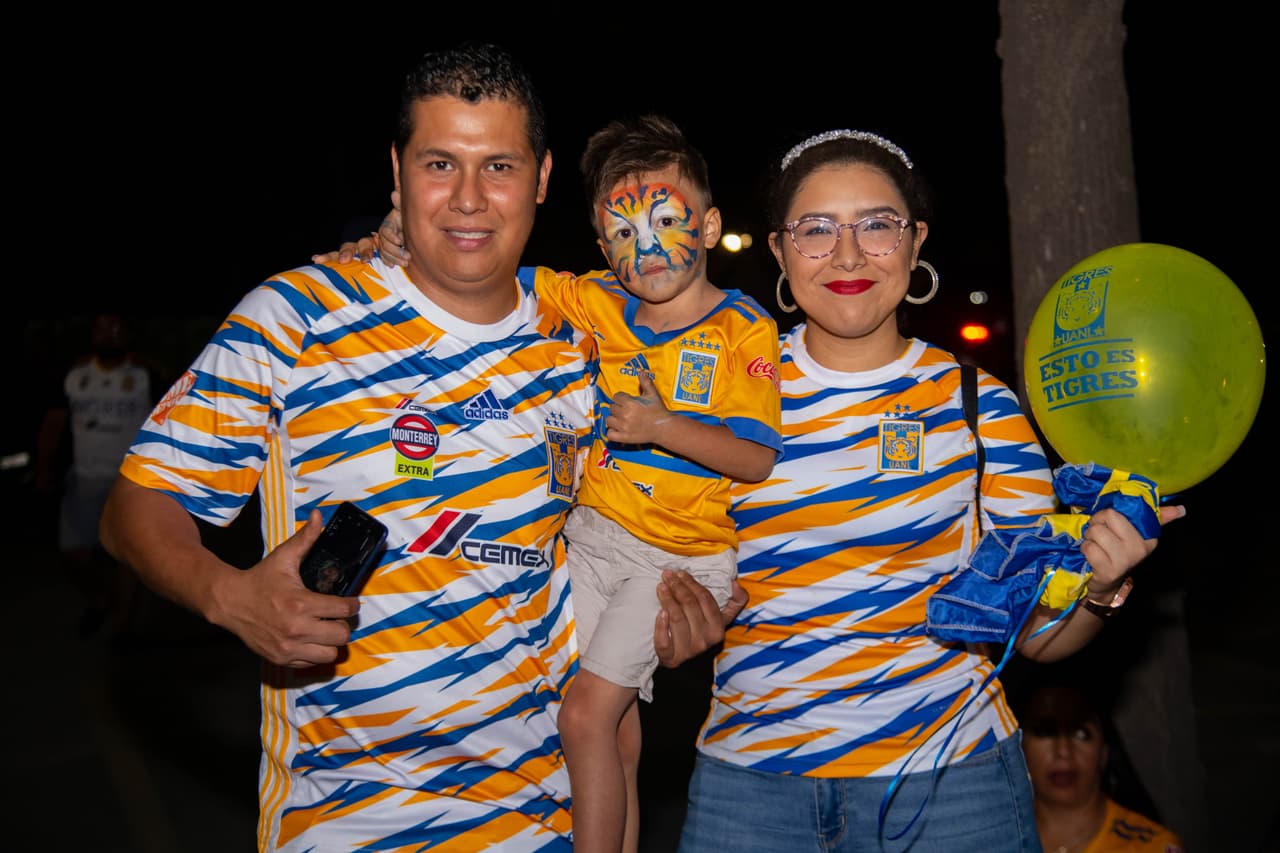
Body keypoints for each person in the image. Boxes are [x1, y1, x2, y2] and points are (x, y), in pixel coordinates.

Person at [334, 129, 1183, 851]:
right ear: (777, 250)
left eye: (876, 226)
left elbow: (1033, 635)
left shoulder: (979, 404)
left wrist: (1099, 590)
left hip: (949, 788)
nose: (847, 255)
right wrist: (407, 254)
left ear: (916, 242)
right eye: (816, 229)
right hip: (753, 794)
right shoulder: (733, 382)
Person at [99, 43, 736, 852]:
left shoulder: (589, 336)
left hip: (549, 818)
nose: (469, 199)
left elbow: (663, 511)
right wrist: (230, 596)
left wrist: (682, 611)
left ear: (540, 179)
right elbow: (134, 506)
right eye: (441, 163)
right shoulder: (297, 317)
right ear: (396, 176)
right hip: (353, 823)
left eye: (498, 166)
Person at [328, 114, 783, 853]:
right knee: (616, 735)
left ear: (709, 226)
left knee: (581, 718)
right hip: (591, 541)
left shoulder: (744, 330)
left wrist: (662, 425)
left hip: (672, 559)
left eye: (668, 220)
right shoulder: (593, 299)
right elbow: (476, 267)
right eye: (624, 234)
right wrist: (394, 234)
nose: (648, 247)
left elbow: (755, 459)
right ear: (603, 247)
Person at [36, 310, 154, 639]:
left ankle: (122, 625)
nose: (108, 334)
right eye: (101, 329)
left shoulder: (145, 375)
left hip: (129, 482)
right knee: (74, 554)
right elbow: (54, 422)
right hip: (84, 479)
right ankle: (100, 599)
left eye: (116, 328)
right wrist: (44, 468)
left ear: (128, 334)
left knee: (126, 554)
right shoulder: (75, 375)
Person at [1018, 682, 1185, 852]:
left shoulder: (1152, 846)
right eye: (1046, 731)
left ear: (1104, 752)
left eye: (1081, 734)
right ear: (1019, 747)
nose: (1063, 750)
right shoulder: (997, 838)